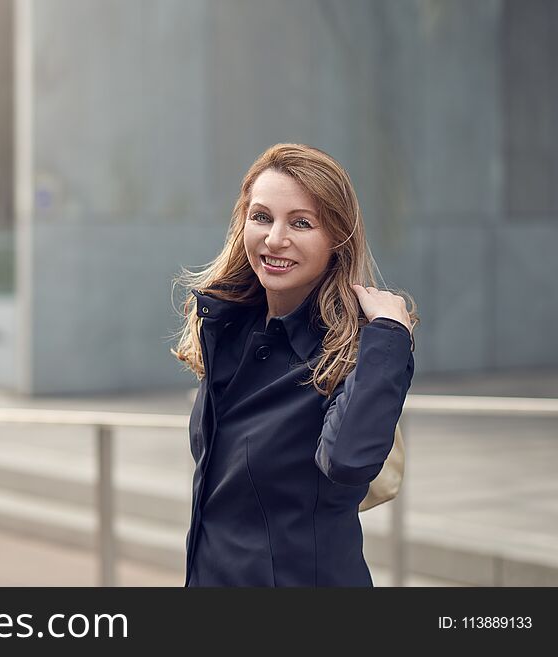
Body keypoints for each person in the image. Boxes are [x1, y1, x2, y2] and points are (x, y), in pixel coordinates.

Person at [170, 143, 419, 587]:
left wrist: (390, 336)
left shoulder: (349, 350)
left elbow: (348, 461)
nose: (274, 238)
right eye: (261, 217)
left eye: (301, 223)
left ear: (336, 241)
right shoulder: (228, 330)